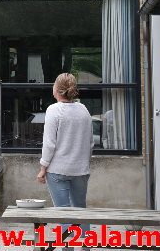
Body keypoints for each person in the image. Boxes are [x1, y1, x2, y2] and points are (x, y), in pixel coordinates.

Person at [37, 73, 94, 241]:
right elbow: (90, 143)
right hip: (81, 170)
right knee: (80, 211)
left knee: (63, 212)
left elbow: (49, 144)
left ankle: (66, 246)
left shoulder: (53, 110)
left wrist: (42, 169)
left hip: (57, 170)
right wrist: (83, 162)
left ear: (57, 89)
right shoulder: (84, 110)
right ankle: (85, 246)